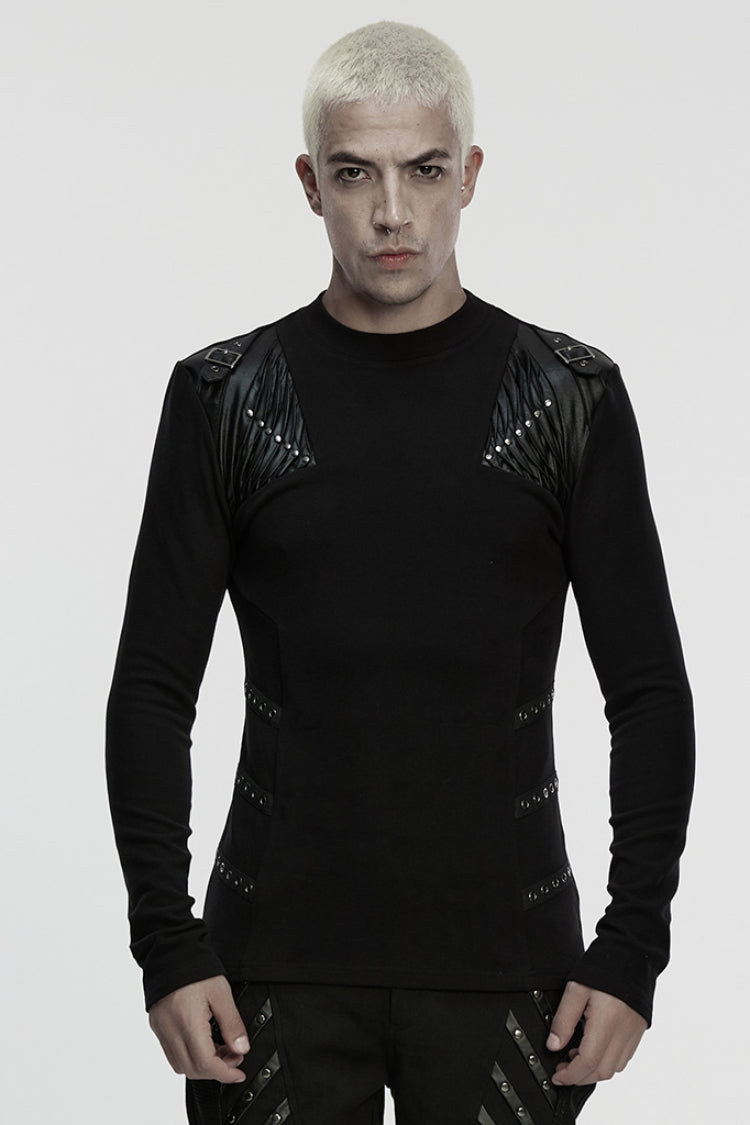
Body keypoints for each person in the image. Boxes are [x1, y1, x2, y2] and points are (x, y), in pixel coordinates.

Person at [105, 20, 695, 1125]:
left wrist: (633, 950)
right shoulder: (223, 399)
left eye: (423, 171)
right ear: (309, 183)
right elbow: (152, 688)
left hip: (514, 973)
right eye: (354, 174)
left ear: (468, 174)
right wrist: (166, 944)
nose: (391, 212)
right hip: (266, 974)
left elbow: (649, 692)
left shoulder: (569, 399)